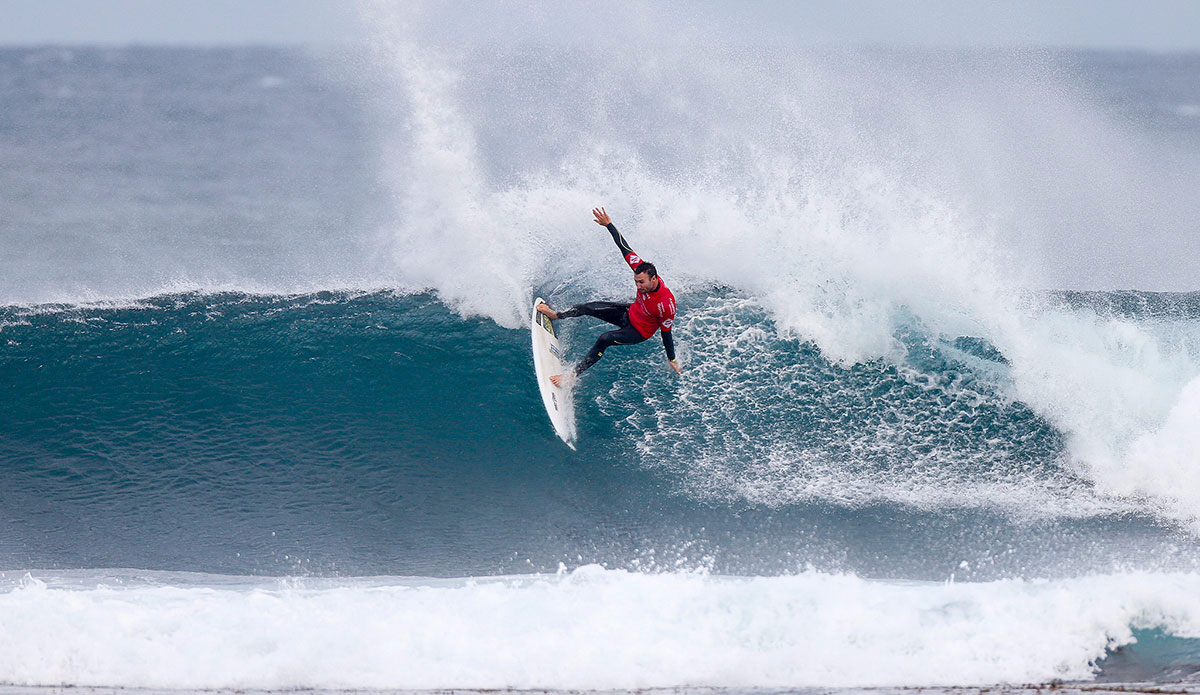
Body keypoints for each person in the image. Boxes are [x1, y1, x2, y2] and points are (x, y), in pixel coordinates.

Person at [538, 207, 681, 386]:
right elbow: (624, 247)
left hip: (638, 331)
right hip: (629, 312)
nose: (638, 286)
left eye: (642, 283)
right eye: (636, 281)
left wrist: (672, 358)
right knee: (587, 307)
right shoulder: (641, 269)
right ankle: (556, 315)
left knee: (604, 339)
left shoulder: (666, 304)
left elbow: (666, 333)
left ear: (654, 278)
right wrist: (609, 225)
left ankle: (571, 376)